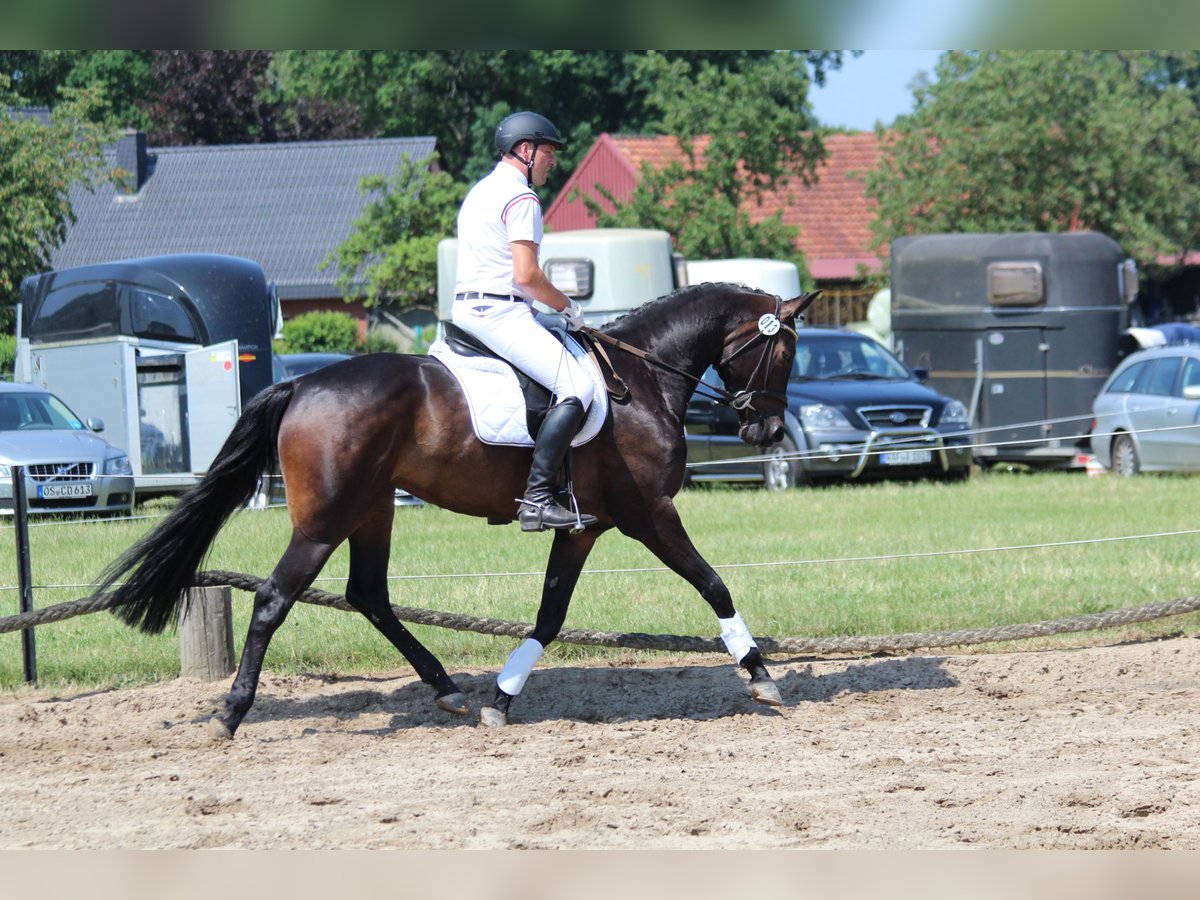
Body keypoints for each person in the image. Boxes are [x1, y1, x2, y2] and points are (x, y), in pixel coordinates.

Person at [451, 111, 598, 533]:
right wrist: (569, 308)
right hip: (500, 312)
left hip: (467, 309)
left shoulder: (480, 191)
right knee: (579, 386)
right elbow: (527, 275)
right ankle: (536, 498)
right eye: (549, 152)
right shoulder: (522, 198)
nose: (554, 161)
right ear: (526, 150)